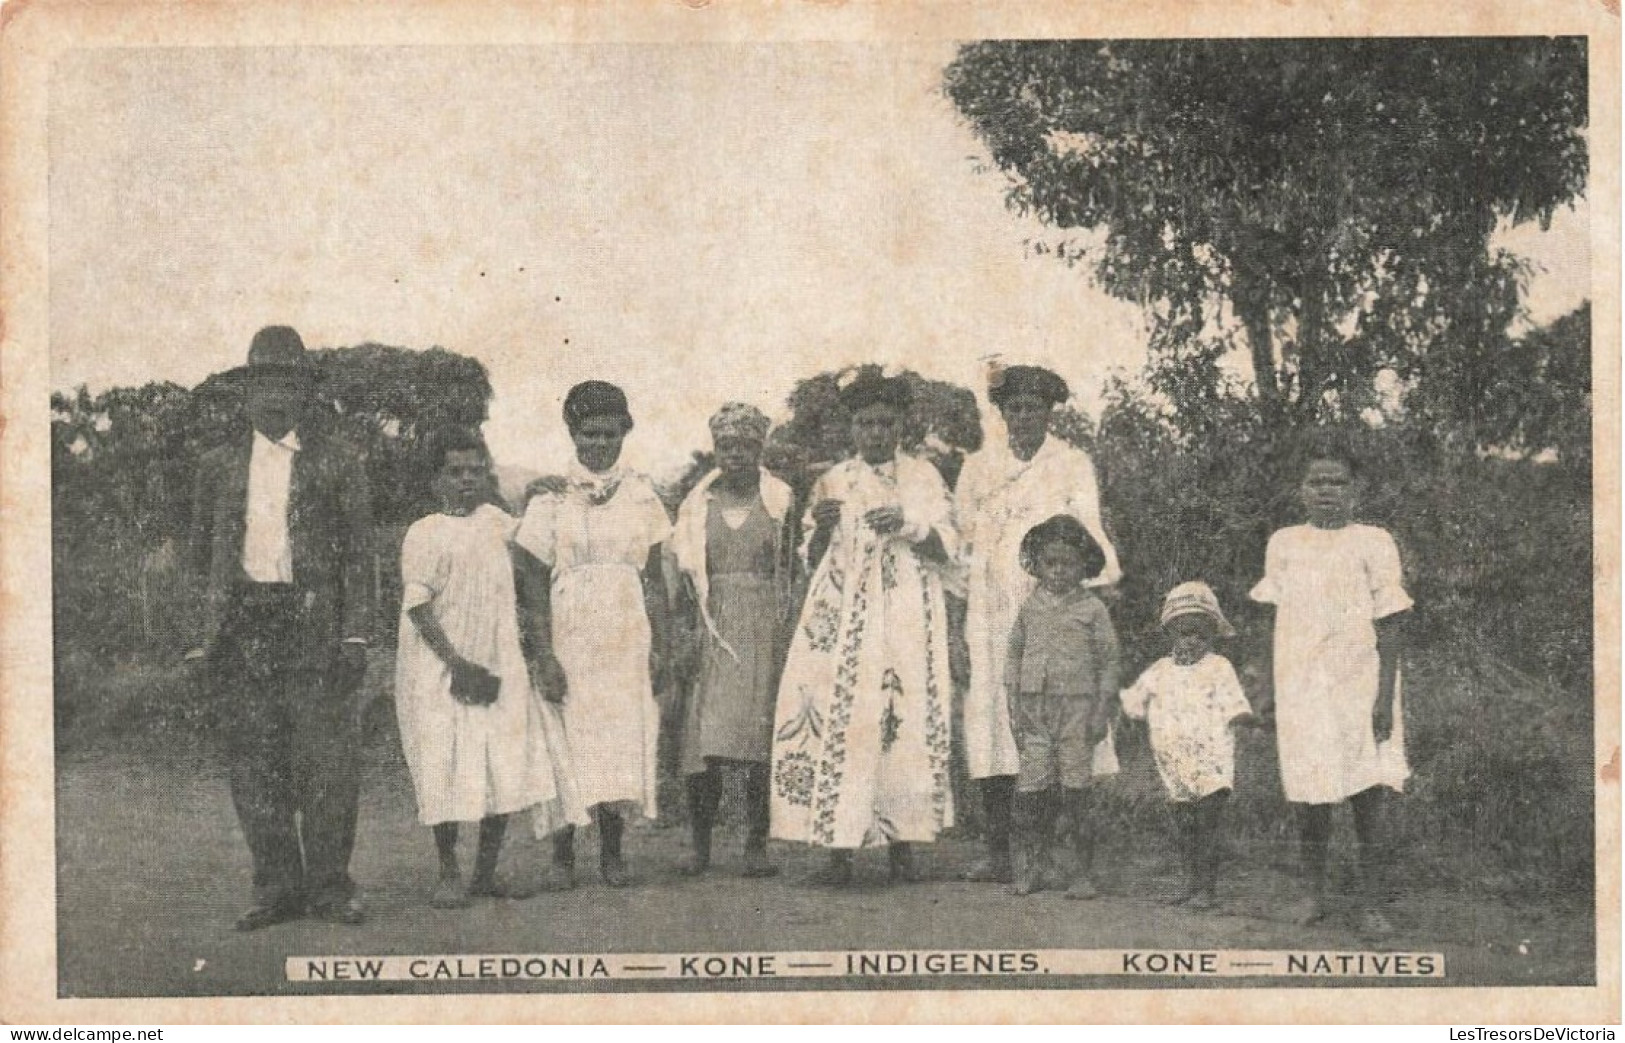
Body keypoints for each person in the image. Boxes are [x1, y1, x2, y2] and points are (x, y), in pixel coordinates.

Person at [181, 326, 374, 930]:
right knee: (254, 765)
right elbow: (198, 558)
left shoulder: (340, 461)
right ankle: (277, 889)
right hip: (243, 627)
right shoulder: (216, 467)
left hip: (313, 624)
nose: (274, 396)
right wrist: (199, 635)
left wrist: (357, 634)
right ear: (247, 390)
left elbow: (359, 557)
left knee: (326, 765)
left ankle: (330, 888)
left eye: (286, 382)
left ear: (303, 391)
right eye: (263, 382)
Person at [769, 367, 957, 885]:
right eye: (865, 423)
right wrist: (822, 528)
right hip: (847, 617)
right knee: (845, 718)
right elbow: (809, 557)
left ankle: (903, 845)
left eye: (885, 423)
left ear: (900, 427)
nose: (875, 433)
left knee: (903, 717)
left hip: (905, 614)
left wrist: (909, 524)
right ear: (851, 428)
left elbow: (948, 548)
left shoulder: (923, 477)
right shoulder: (833, 481)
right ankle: (839, 848)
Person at [394, 427, 586, 908]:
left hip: (499, 663)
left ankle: (485, 872)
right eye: (455, 472)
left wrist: (540, 492)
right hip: (442, 667)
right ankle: (447, 871)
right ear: (436, 478)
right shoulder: (425, 531)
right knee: (447, 764)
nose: (466, 481)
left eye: (476, 472)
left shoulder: (496, 522)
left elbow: (532, 536)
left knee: (501, 765)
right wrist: (457, 664)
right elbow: (417, 607)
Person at [955, 364, 1121, 884]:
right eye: (1015, 408)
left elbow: (1088, 533)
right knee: (993, 722)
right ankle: (1001, 851)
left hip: (1055, 610)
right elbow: (962, 546)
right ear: (1002, 413)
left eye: (1034, 408)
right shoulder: (978, 468)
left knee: (1052, 727)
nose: (1024, 417)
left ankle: (1055, 855)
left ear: (1050, 413)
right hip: (989, 612)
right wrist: (961, 620)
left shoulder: (1070, 464)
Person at [1249, 433, 1412, 937]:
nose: (1326, 491)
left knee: (1367, 794)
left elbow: (1392, 621)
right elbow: (1269, 619)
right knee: (1308, 792)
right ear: (1301, 489)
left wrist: (1384, 697)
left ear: (1355, 489)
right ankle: (1314, 893)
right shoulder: (1284, 542)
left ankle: (1370, 903)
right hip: (1301, 683)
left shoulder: (1374, 541)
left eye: (1337, 482)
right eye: (1316, 481)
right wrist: (1269, 689)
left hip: (1360, 682)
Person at [514, 381, 672, 888]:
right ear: (572, 434)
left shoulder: (643, 496)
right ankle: (562, 856)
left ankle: (612, 852)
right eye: (588, 435)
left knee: (618, 740)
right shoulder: (551, 499)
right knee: (567, 736)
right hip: (570, 636)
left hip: (626, 638)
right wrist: (543, 655)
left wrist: (663, 646)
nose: (598, 445)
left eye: (608, 434)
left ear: (624, 432)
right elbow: (533, 584)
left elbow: (654, 581)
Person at [671, 403, 797, 878]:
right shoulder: (695, 506)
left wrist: (789, 630)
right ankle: (700, 846)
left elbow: (793, 567)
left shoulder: (780, 499)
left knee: (759, 739)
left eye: (746, 446)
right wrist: (684, 633)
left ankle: (755, 845)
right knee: (705, 743)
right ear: (716, 449)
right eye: (728, 446)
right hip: (713, 623)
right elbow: (682, 575)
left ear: (760, 449)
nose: (737, 454)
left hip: (764, 628)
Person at [1001, 515, 1119, 898]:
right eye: (1049, 563)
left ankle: (1080, 874)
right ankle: (1031, 869)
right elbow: (1014, 656)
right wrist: (1014, 705)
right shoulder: (1030, 606)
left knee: (1076, 791)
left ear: (1083, 566)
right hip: (1035, 712)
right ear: (1037, 564)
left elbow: (1109, 661)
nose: (1057, 572)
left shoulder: (1093, 609)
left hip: (1076, 711)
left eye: (1066, 564)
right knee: (1031, 793)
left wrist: (1102, 711)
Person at [1120, 581, 1255, 910]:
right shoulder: (1158, 671)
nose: (1191, 641)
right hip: (1175, 764)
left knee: (1207, 824)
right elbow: (1132, 705)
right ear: (1171, 635)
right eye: (1184, 633)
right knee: (1185, 826)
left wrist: (1244, 726)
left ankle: (1206, 888)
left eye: (1199, 634)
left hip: (1212, 762)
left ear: (1211, 635)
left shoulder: (1219, 667)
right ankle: (1190, 882)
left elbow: (1236, 707)